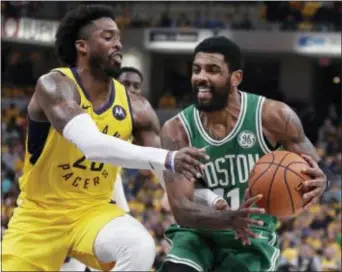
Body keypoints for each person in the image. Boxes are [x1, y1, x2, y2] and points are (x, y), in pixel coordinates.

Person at [1, 5, 210, 271]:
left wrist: (214, 201)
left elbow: (165, 172)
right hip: (39, 216)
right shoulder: (54, 85)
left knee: (139, 246)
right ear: (82, 46)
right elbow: (92, 146)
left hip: (93, 212)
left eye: (119, 38)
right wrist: (169, 157)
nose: (118, 44)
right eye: (108, 37)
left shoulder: (137, 107)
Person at [158, 36, 330, 272]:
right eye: (196, 69)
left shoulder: (274, 116)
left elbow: (313, 170)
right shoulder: (176, 130)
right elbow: (181, 208)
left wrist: (321, 182)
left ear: (235, 78)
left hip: (252, 236)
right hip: (197, 234)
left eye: (213, 70)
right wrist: (230, 218)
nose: (201, 77)